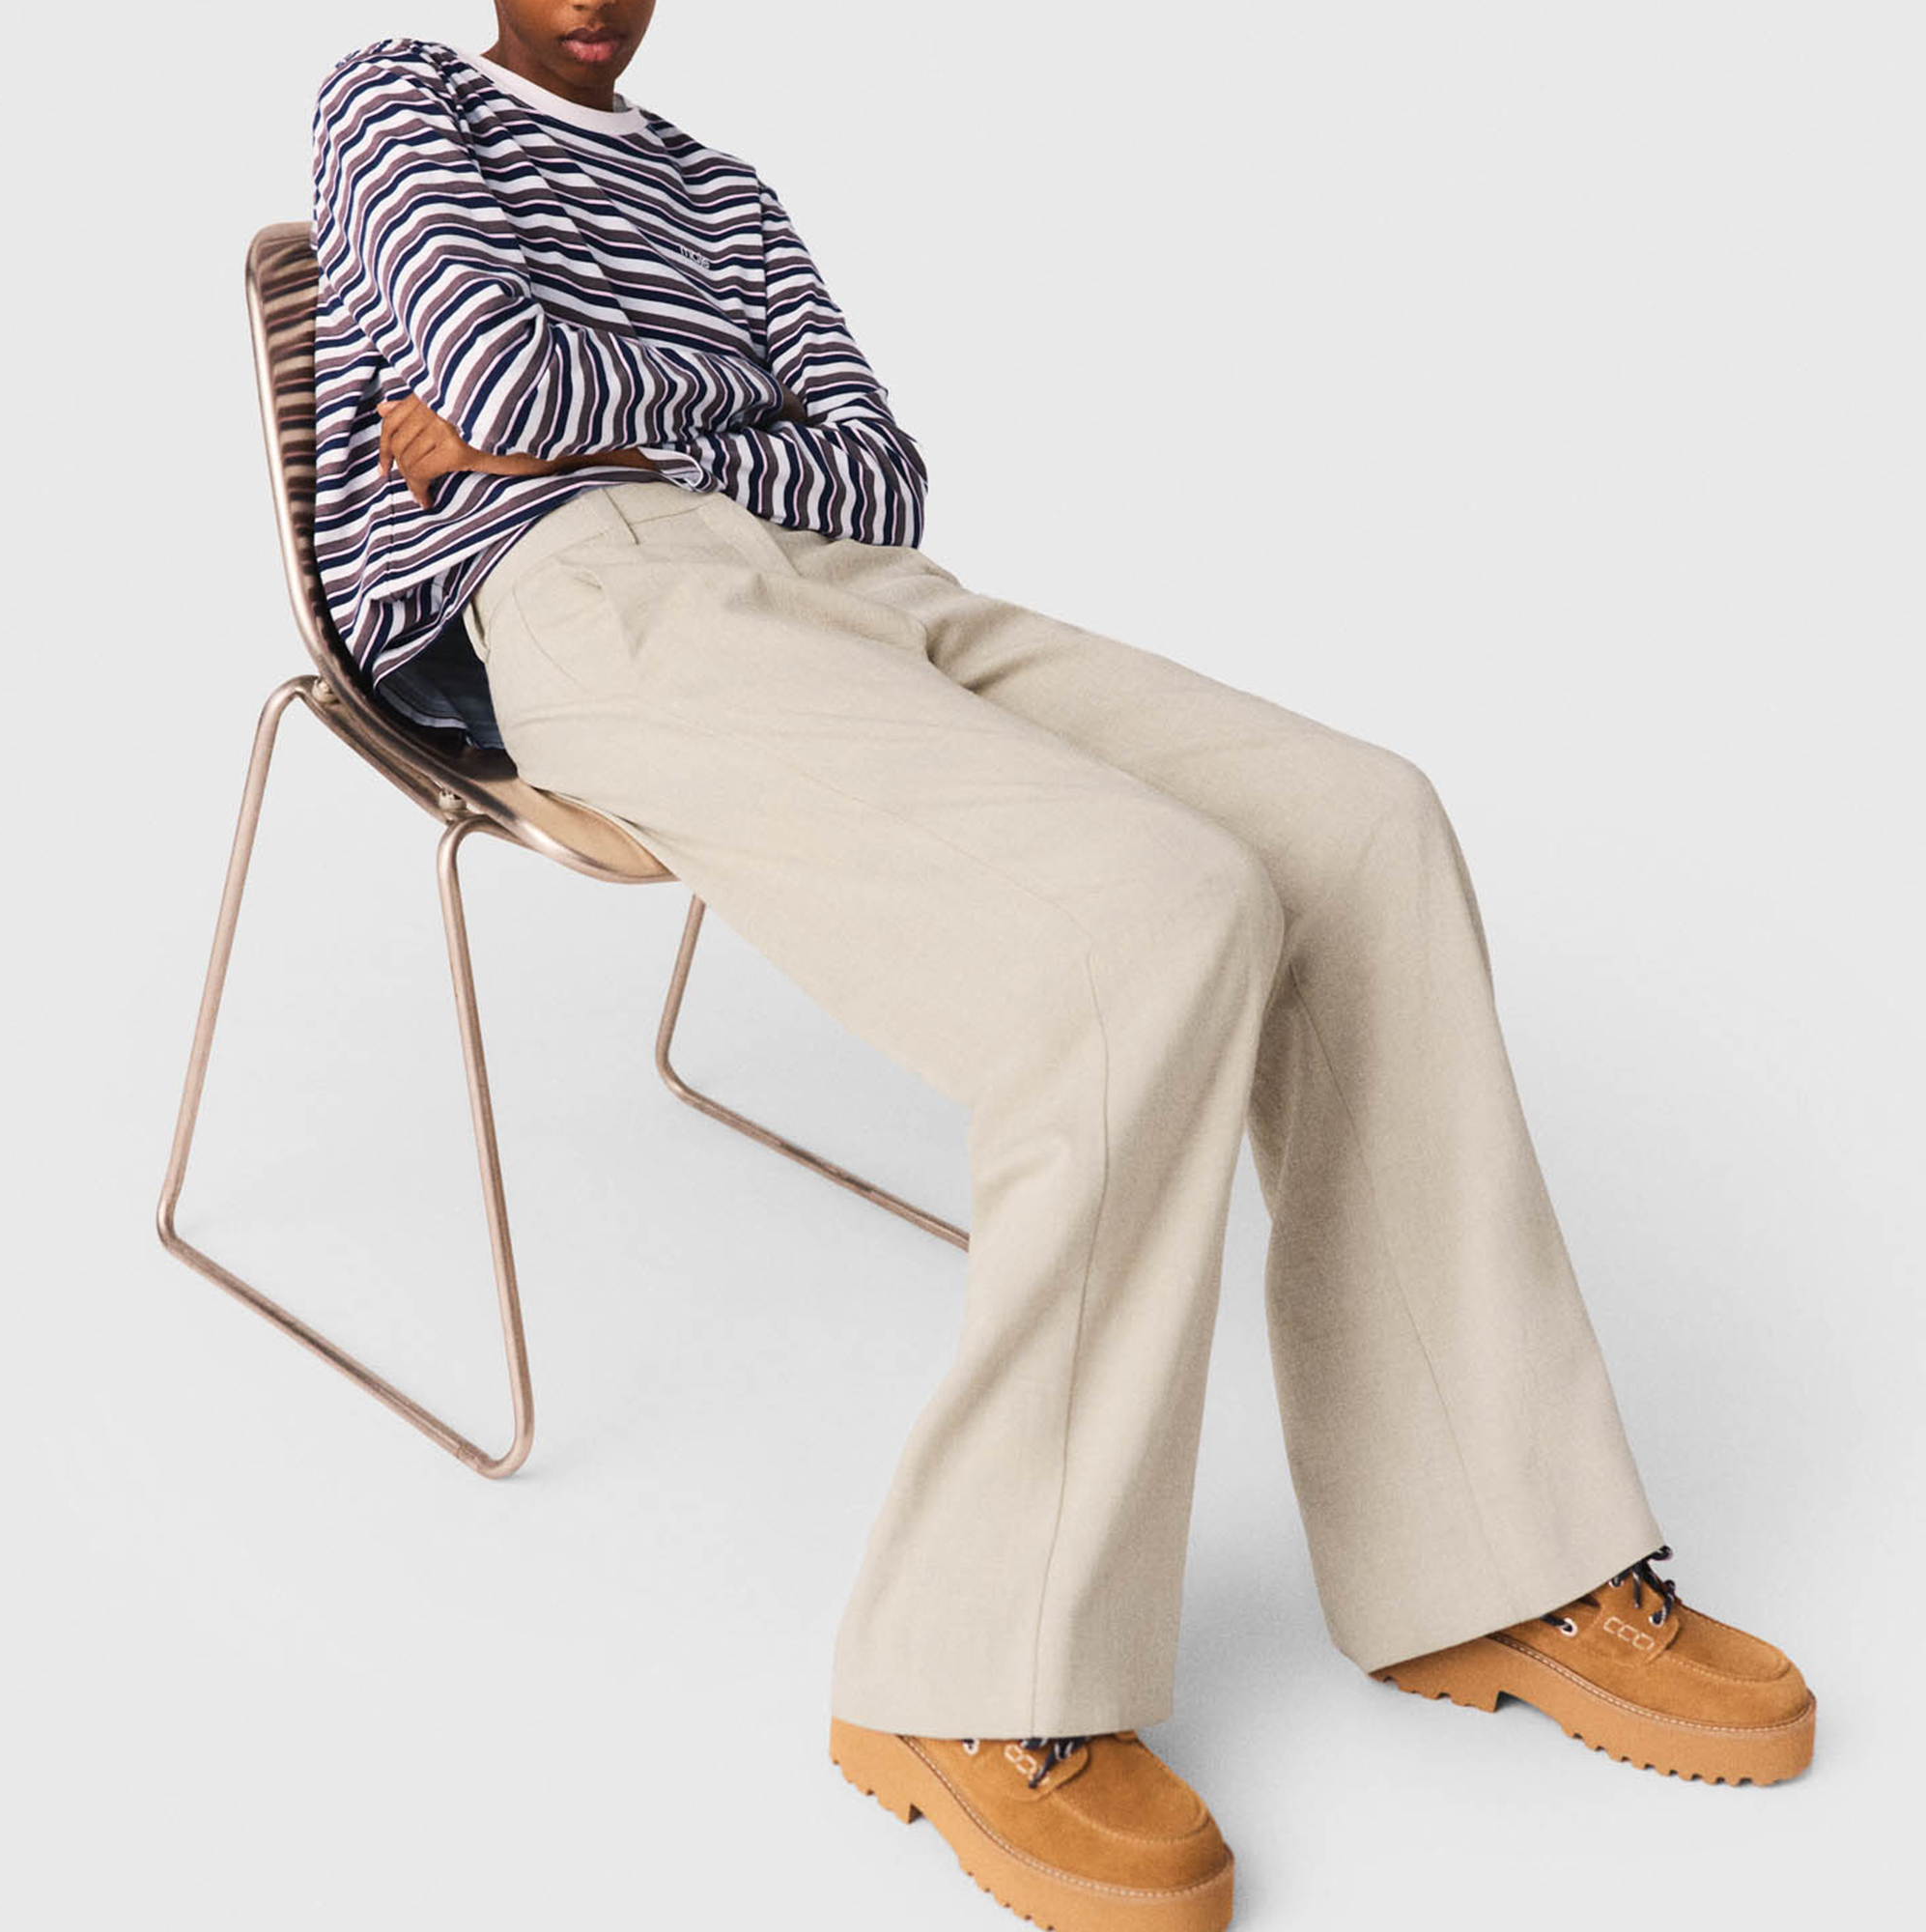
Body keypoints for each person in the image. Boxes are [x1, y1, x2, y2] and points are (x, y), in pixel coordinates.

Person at [308, 6, 1816, 1927]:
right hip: (585, 603)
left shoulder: (719, 187)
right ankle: (970, 1668)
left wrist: (582, 425)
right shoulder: (398, 98)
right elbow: (493, 364)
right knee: (1154, 913)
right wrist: (669, 429)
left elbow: (878, 480)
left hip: (854, 590)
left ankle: (1491, 1549)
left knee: (1364, 826)